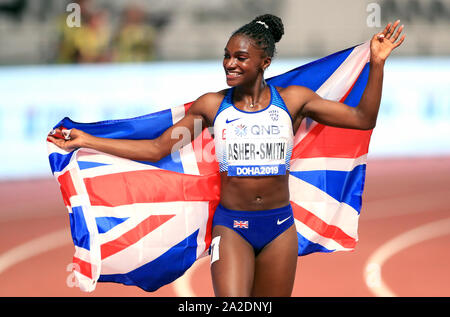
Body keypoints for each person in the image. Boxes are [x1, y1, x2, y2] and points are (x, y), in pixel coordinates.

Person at [47, 14, 405, 296]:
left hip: (280, 229)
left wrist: (377, 63)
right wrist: (87, 140)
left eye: (240, 57)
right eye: (227, 55)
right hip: (231, 227)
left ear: (264, 62)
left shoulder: (294, 101)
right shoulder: (211, 107)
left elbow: (362, 119)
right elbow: (157, 149)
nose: (229, 63)